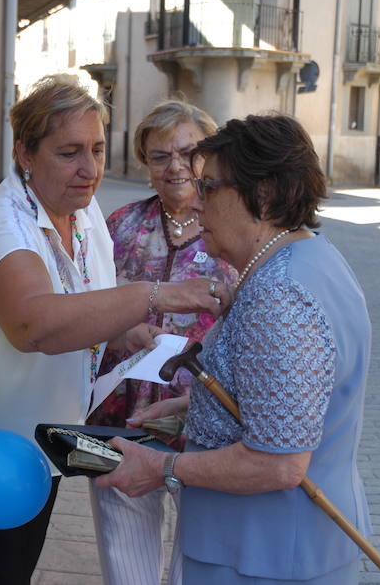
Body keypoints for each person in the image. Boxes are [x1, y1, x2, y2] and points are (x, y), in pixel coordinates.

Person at [0, 74, 231, 585]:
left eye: (98, 149)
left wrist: (122, 334)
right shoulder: (5, 226)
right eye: (69, 152)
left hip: (44, 444)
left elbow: (80, 305)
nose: (90, 169)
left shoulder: (80, 209)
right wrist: (154, 296)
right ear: (24, 154)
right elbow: (34, 325)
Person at [96, 113, 373, 584]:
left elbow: (279, 463)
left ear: (261, 195)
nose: (197, 203)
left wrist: (161, 467)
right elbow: (281, 403)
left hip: (267, 555)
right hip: (269, 547)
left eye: (210, 188)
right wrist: (200, 405)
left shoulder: (281, 294)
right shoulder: (306, 258)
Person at [86, 101, 237, 585]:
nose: (175, 166)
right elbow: (86, 306)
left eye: (189, 153)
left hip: (203, 422)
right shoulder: (119, 225)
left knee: (198, 561)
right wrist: (118, 329)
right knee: (125, 558)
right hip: (121, 417)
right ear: (144, 164)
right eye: (159, 156)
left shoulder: (232, 229)